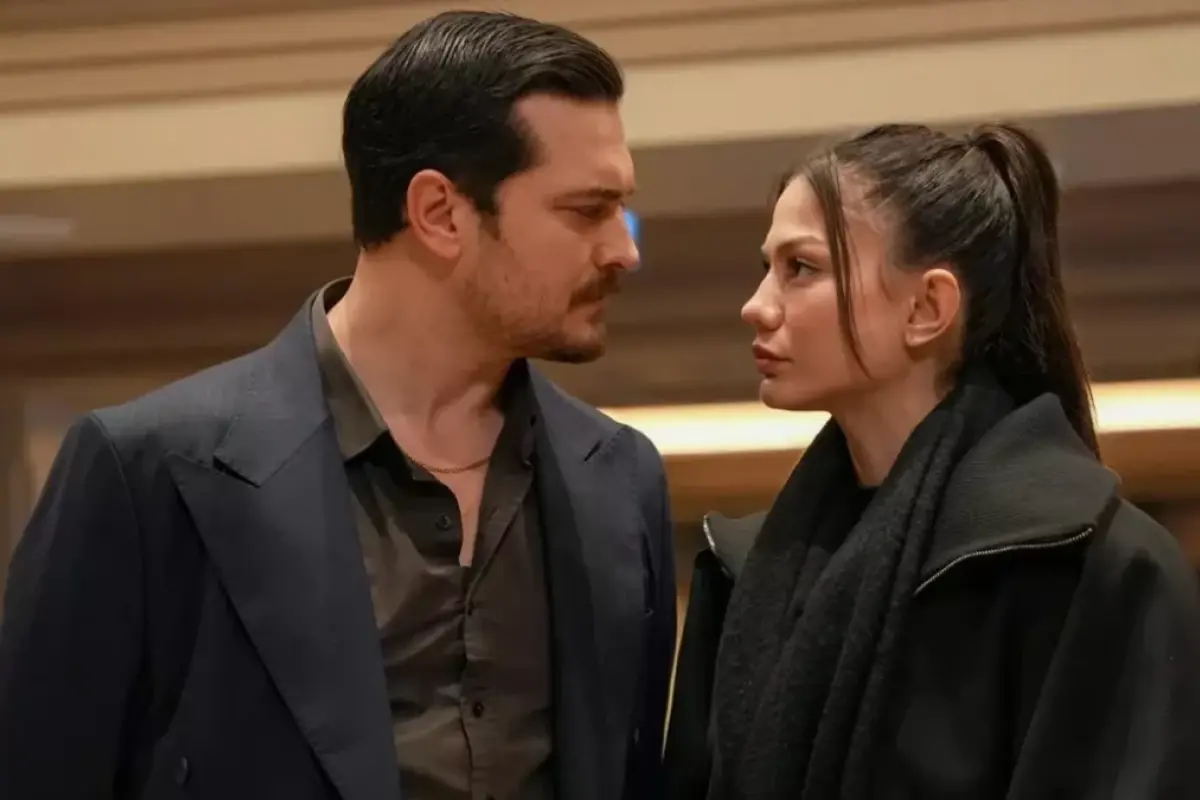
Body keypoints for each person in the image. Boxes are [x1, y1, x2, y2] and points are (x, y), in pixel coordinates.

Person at [0, 11, 676, 800]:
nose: (625, 249)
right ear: (439, 213)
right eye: (587, 210)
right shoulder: (149, 470)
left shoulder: (621, 477)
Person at [664, 123, 1200, 799]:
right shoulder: (741, 569)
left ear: (927, 307)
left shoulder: (1095, 566)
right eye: (766, 268)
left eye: (801, 268)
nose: (756, 306)